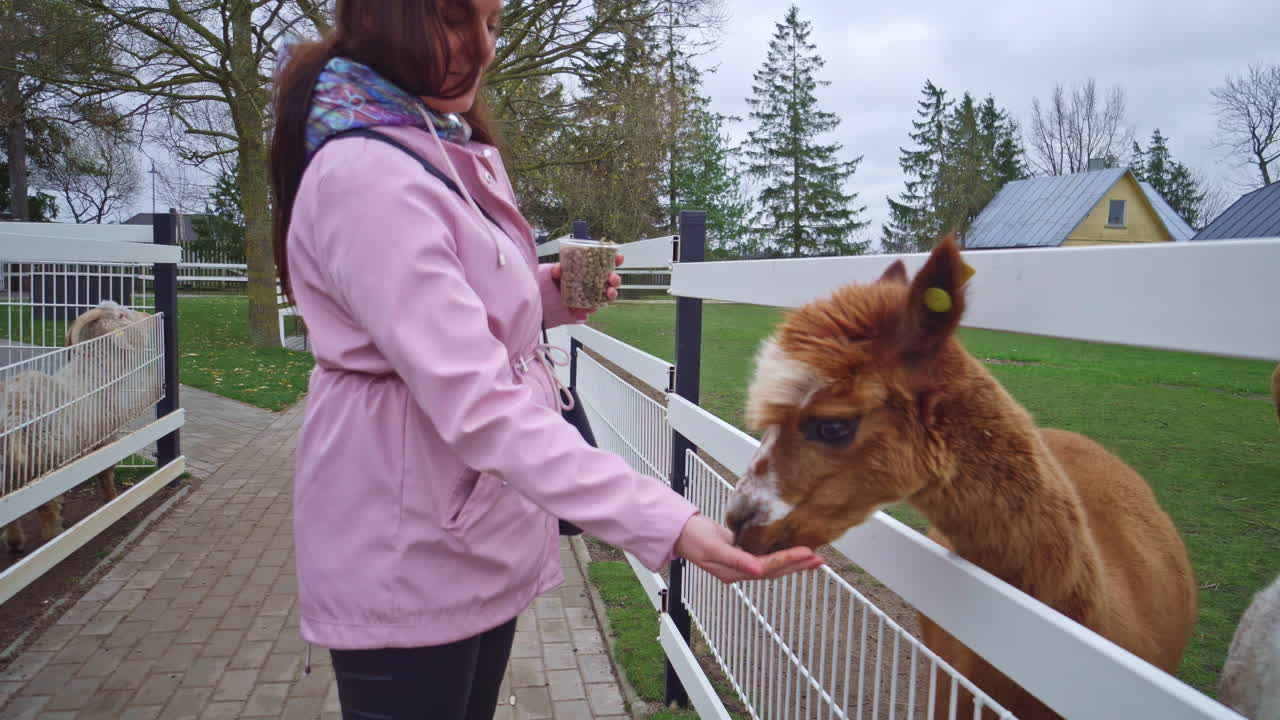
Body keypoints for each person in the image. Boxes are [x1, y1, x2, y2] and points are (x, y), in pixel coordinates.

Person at [269, 0, 824, 717]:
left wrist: (540, 298)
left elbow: (442, 315)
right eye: (454, 20)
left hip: (459, 537)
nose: (485, 48)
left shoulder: (432, 142)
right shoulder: (371, 176)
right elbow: (480, 407)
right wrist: (668, 522)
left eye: (493, 24)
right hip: (406, 553)